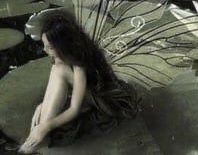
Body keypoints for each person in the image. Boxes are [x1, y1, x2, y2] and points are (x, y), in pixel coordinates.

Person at [19, 11, 139, 154]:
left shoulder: (78, 61)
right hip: (84, 91)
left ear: (63, 46)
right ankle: (35, 138)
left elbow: (74, 109)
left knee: (60, 70)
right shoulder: (60, 58)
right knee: (57, 66)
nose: (45, 50)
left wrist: (46, 126)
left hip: (101, 98)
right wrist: (41, 106)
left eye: (50, 47)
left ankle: (37, 139)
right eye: (44, 45)